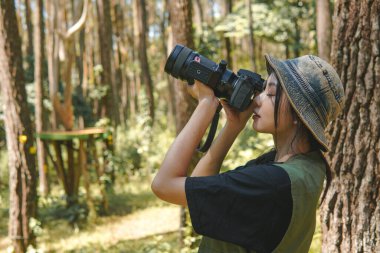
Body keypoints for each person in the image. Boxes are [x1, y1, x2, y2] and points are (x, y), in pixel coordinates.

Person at [151, 54, 345, 253]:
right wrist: (233, 126)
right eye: (262, 90)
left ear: (298, 113)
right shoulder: (305, 166)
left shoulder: (270, 183)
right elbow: (199, 187)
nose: (257, 100)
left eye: (270, 94)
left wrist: (205, 105)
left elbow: (163, 185)